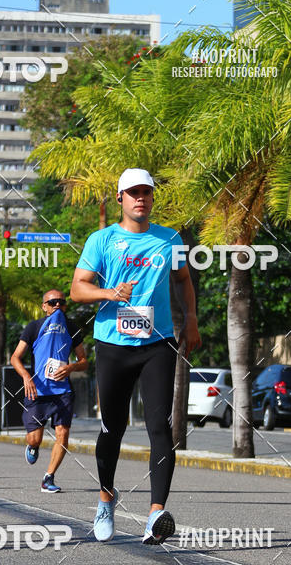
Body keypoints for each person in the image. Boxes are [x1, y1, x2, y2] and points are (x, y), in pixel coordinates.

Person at [71, 168, 200, 543]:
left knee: (160, 426)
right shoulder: (102, 240)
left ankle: (155, 514)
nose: (140, 198)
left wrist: (190, 320)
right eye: (133, 192)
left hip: (157, 343)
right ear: (121, 199)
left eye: (146, 192)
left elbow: (182, 280)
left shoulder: (170, 238)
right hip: (112, 343)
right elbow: (78, 288)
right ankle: (105, 498)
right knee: (112, 427)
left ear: (152, 198)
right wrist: (108, 294)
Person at [11, 289, 87, 493]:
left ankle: (49, 477)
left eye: (61, 302)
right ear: (44, 306)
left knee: (62, 434)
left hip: (63, 391)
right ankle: (33, 447)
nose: (57, 306)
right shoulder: (34, 327)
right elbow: (15, 357)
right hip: (38, 391)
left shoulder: (71, 328)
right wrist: (27, 377)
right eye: (52, 302)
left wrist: (71, 367)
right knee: (35, 438)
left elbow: (84, 361)